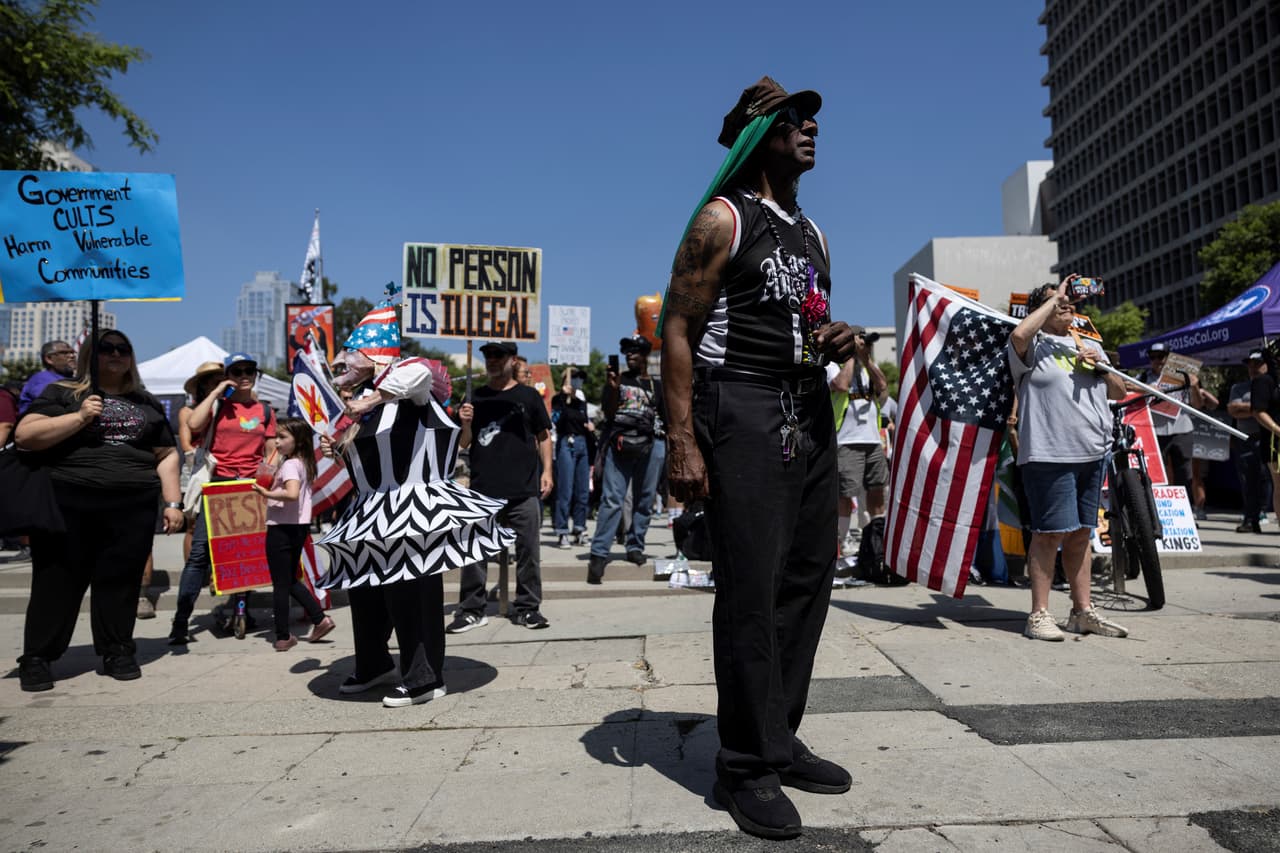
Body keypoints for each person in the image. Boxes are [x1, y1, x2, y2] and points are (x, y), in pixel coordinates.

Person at [661, 76, 858, 839]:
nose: (812, 128)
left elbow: (805, 318)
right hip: (739, 404)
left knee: (807, 578)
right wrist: (683, 440)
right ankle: (742, 765)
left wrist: (838, 337)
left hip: (807, 409)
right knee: (750, 587)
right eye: (794, 119)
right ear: (758, 134)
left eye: (812, 120)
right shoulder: (722, 218)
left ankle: (777, 736)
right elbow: (678, 327)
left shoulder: (815, 235)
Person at [316, 301, 514, 707]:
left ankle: (424, 678)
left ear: (375, 354)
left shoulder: (407, 375)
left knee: (412, 593)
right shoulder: (364, 400)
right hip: (371, 512)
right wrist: (337, 448)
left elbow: (419, 375)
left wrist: (370, 401)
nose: (345, 360)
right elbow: (368, 459)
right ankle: (374, 664)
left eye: (353, 352)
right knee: (366, 590)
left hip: (414, 511)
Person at [15, 329, 184, 691]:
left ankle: (117, 650)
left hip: (132, 504)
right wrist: (78, 417)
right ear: (90, 355)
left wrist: (173, 503)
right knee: (57, 583)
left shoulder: (146, 402)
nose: (116, 354)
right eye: (107, 348)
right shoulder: (62, 393)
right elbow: (25, 435)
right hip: (68, 501)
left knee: (121, 583)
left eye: (123, 348)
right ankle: (38, 657)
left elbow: (166, 453)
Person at [1008, 279, 1129, 642]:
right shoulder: (1033, 345)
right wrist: (1054, 298)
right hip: (1049, 453)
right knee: (1049, 534)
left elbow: (1119, 391)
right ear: (1040, 310)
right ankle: (1038, 614)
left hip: (1092, 452)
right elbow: (1018, 335)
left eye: (1069, 302)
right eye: (1057, 302)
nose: (1067, 306)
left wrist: (1101, 366)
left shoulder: (1088, 343)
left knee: (1080, 535)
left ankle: (1081, 611)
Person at [169, 353, 277, 645]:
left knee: (245, 553)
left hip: (251, 489)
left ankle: (241, 611)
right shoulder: (217, 405)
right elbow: (193, 424)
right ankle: (180, 622)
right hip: (218, 486)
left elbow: (271, 452)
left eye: (249, 370)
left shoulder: (265, 410)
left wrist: (267, 481)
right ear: (228, 375)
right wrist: (218, 390)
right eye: (237, 371)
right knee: (199, 554)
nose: (244, 376)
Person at [452, 341, 553, 631]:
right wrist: (465, 423)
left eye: (498, 355)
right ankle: (472, 609)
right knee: (475, 552)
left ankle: (528, 608)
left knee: (528, 553)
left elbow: (544, 436)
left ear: (512, 360)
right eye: (488, 355)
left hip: (523, 489)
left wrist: (547, 471)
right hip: (484, 490)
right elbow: (464, 443)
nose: (492, 360)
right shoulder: (474, 397)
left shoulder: (529, 396)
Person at [587, 335, 666, 582]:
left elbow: (665, 416)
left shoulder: (656, 385)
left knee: (645, 499)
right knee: (612, 499)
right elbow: (608, 412)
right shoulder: (618, 381)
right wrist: (612, 388)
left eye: (635, 351)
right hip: (619, 444)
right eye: (626, 351)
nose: (630, 355)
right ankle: (599, 553)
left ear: (646, 355)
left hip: (651, 444)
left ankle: (635, 546)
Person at [252, 417, 334, 651]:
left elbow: (291, 494)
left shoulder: (290, 465)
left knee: (281, 583)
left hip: (282, 527)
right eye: (276, 437)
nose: (277, 442)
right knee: (288, 580)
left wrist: (266, 493)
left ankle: (282, 636)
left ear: (298, 441)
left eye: (282, 437)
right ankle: (320, 619)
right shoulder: (302, 462)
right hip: (297, 526)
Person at [825, 330, 889, 565]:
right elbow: (841, 385)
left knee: (877, 490)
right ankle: (842, 543)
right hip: (847, 441)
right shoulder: (834, 366)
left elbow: (883, 386)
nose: (864, 344)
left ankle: (875, 540)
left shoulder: (868, 366)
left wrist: (866, 360)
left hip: (872, 440)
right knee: (845, 494)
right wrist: (851, 356)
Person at [1138, 342, 1205, 509]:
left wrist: (1195, 386)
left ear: (1169, 358)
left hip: (1182, 429)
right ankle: (1159, 511)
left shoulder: (1183, 376)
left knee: (1185, 474)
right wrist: (1144, 390)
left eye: (1161, 356)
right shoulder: (1142, 378)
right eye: (1152, 357)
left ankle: (1185, 511)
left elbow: (1198, 405)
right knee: (1155, 473)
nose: (1157, 360)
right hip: (1154, 432)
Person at [551, 366, 594, 548]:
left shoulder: (581, 402)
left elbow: (584, 422)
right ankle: (562, 531)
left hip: (582, 445)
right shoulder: (558, 399)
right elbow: (556, 420)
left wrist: (589, 426)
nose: (578, 381)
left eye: (579, 378)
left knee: (582, 491)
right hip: (566, 444)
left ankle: (579, 528)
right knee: (565, 490)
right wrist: (563, 397)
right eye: (574, 377)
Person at [1228, 351, 1267, 533]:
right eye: (1250, 364)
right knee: (1248, 480)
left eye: (1257, 363)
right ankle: (1251, 518)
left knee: (1268, 479)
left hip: (1269, 437)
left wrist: (1247, 409)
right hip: (1247, 438)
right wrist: (1260, 408)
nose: (1253, 368)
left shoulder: (1272, 386)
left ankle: (1263, 511)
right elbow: (1233, 410)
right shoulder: (1239, 388)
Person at [19, 340, 77, 414]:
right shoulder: (42, 380)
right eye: (64, 353)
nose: (72, 356)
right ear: (49, 359)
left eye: (72, 352)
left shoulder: (72, 378)